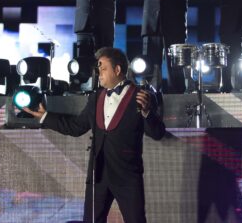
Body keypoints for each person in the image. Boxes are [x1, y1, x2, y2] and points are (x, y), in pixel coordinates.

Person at [21, 47, 166, 223]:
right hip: (97, 175)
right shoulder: (96, 97)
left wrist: (147, 112)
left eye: (103, 68)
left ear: (117, 70)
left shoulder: (142, 95)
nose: (99, 73)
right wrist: (45, 116)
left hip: (127, 176)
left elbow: (157, 133)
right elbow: (75, 127)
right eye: (98, 69)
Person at [132, 0, 194, 93]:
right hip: (151, 28)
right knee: (150, 65)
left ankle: (177, 94)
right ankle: (151, 95)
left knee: (175, 66)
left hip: (174, 29)